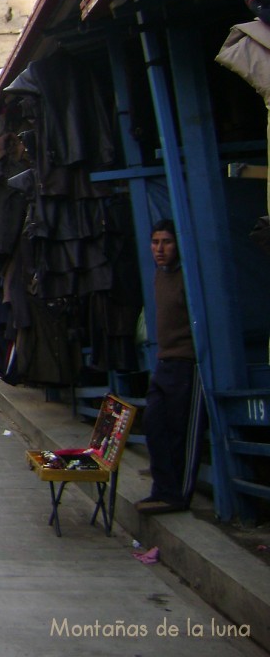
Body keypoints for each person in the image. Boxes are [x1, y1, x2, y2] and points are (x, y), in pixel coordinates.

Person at [136, 219, 203, 515]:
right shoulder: (159, 276)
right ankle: (162, 489)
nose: (160, 249)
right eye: (155, 243)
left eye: (166, 242)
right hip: (164, 361)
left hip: (186, 362)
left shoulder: (186, 278)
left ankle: (178, 494)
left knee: (180, 431)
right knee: (153, 424)